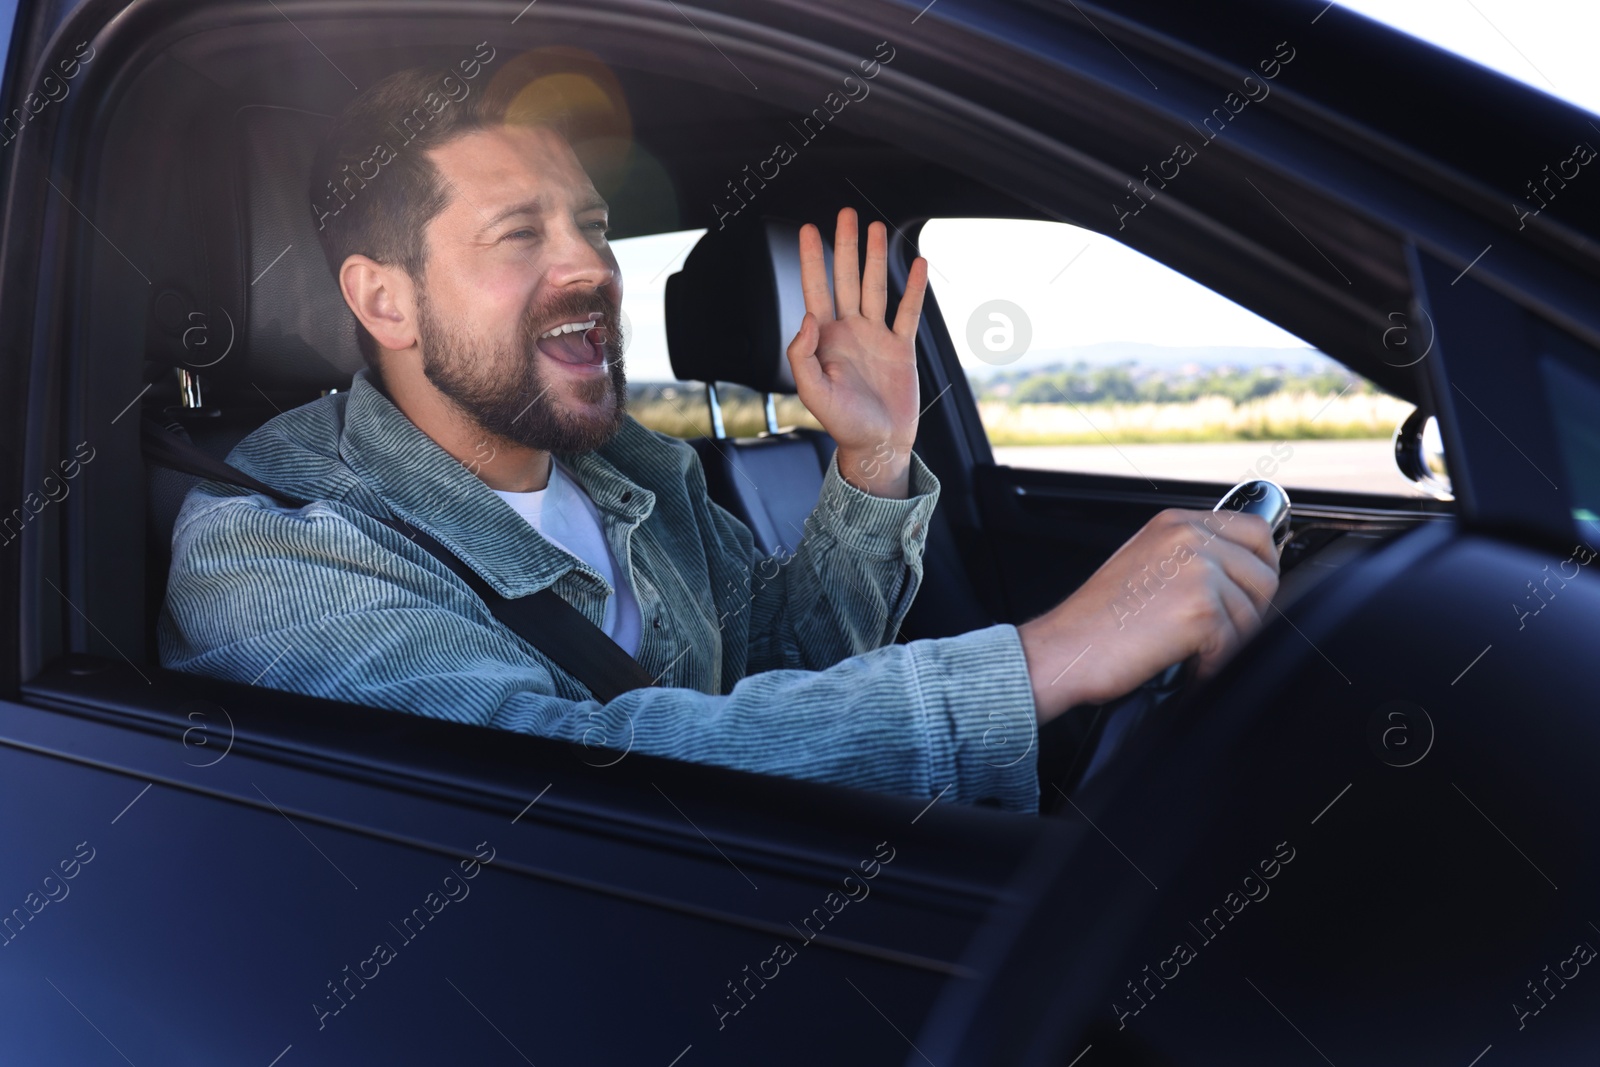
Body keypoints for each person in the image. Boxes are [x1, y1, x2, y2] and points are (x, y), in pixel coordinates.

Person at [160, 62, 1280, 814]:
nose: (591, 266)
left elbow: (794, 663)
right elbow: (561, 788)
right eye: (519, 233)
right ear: (385, 301)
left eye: (593, 226)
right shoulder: (271, 548)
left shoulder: (637, 474)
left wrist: (872, 460)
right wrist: (1045, 661)